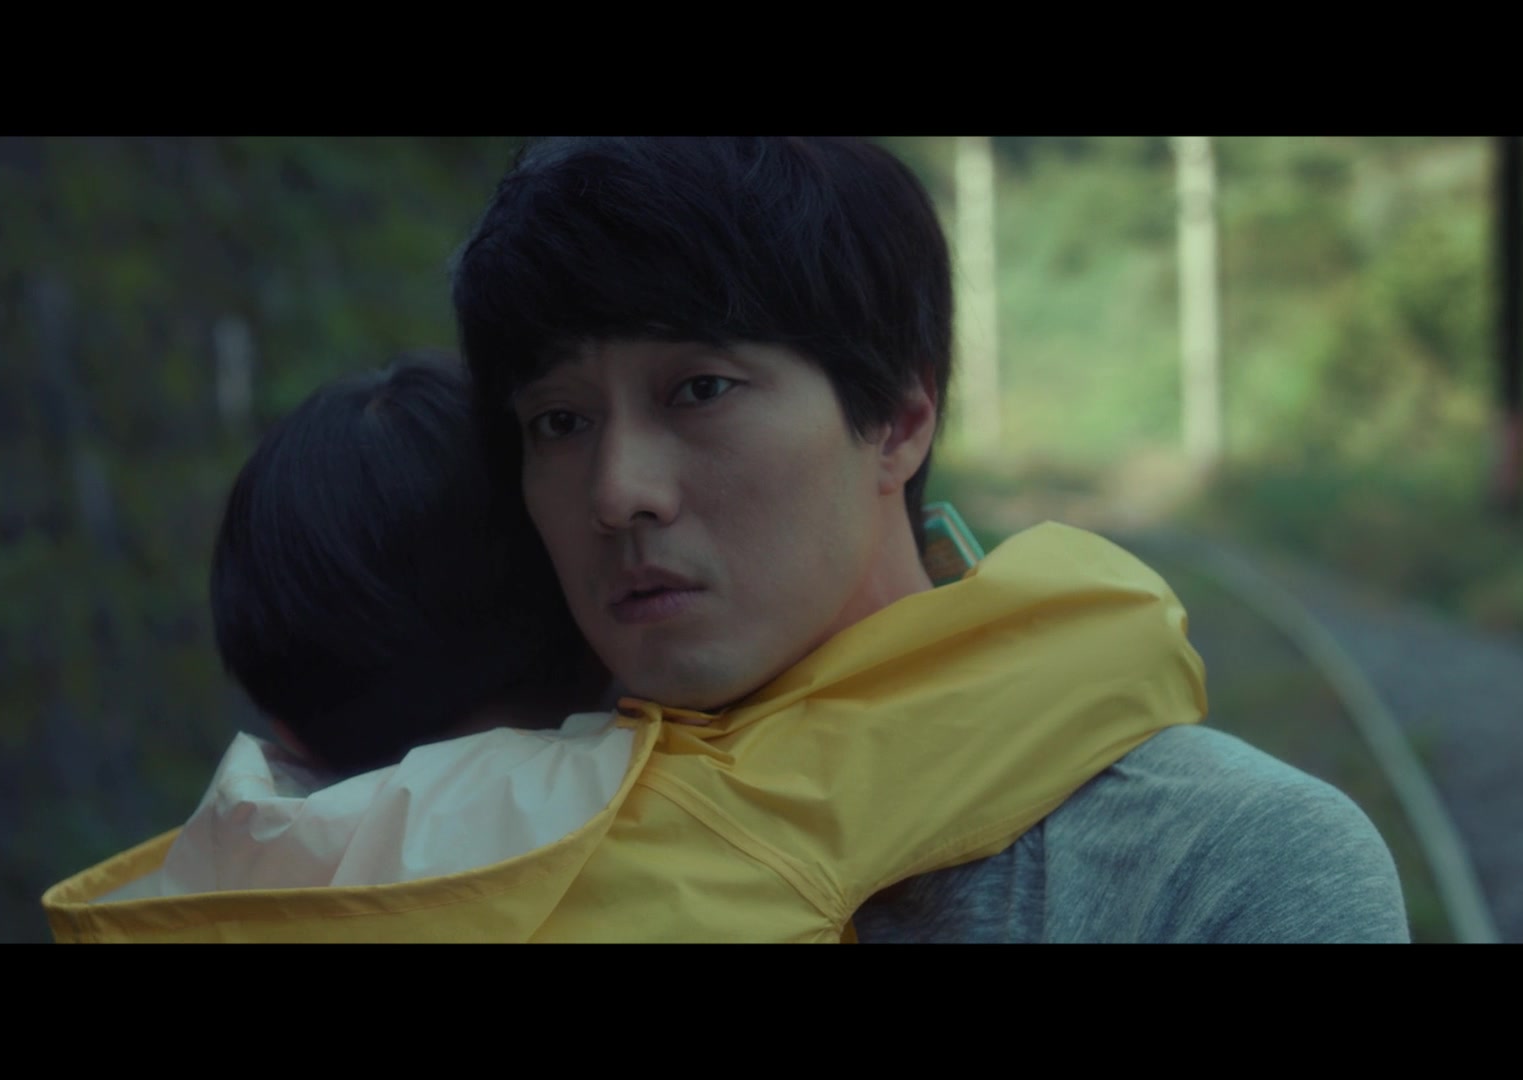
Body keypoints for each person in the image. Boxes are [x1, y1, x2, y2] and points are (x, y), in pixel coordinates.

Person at [450, 136, 1410, 943]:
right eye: (559, 421)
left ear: (899, 420)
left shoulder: (1223, 861)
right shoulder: (466, 841)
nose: (618, 493)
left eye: (700, 389)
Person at [39, 352, 1209, 942]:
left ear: (280, 719)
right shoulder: (658, 823)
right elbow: (1050, 669)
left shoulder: (188, 885)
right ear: (586, 628)